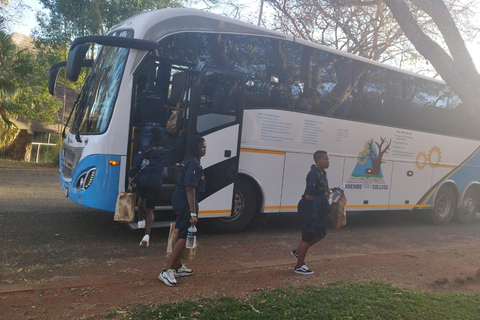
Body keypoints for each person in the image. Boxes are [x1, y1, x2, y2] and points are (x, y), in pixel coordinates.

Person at [159, 135, 207, 286]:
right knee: (184, 235)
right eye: (202, 147)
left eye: (205, 147)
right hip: (186, 201)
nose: (204, 149)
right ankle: (167, 270)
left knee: (179, 230)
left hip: (180, 199)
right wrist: (193, 213)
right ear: (195, 148)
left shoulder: (188, 161)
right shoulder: (193, 163)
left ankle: (177, 266)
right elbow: (190, 189)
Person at [291, 150, 335, 275]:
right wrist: (322, 200)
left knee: (321, 233)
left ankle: (299, 252)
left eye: (328, 159)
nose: (328, 161)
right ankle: (299, 266)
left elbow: (321, 191)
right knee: (308, 236)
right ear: (318, 161)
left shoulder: (322, 174)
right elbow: (308, 196)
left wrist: (331, 191)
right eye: (325, 159)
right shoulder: (313, 174)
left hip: (317, 209)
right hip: (309, 209)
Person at [128, 127, 171, 248]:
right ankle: (147, 235)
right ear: (161, 138)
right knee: (150, 208)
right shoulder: (166, 150)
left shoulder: (145, 149)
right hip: (156, 180)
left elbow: (137, 163)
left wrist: (130, 176)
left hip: (144, 178)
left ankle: (140, 219)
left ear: (151, 138)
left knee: (141, 197)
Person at [135, 74, 166, 149]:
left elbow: (136, 109)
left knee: (145, 150)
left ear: (146, 87)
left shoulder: (142, 95)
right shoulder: (161, 96)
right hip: (160, 127)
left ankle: (145, 160)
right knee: (159, 150)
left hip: (146, 126)